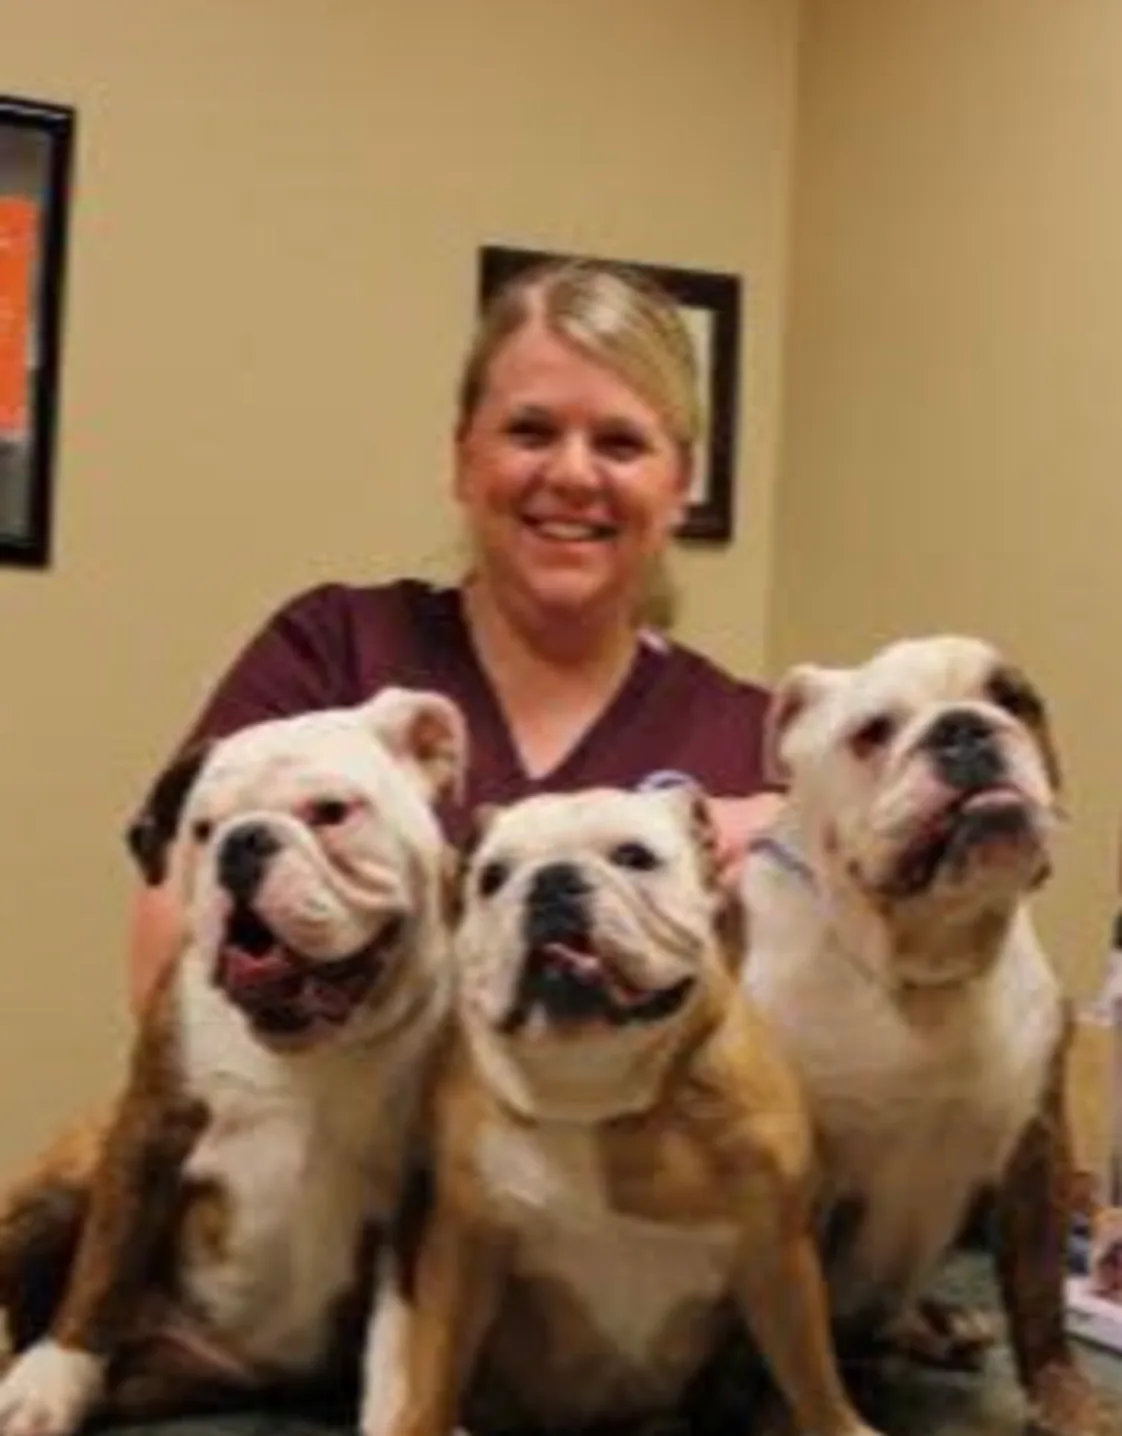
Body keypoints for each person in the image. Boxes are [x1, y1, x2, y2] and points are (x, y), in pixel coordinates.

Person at [125, 257, 784, 1016]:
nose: (573, 474)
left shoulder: (748, 744)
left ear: (679, 485)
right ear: (465, 458)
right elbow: (169, 961)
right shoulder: (335, 654)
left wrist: (796, 847)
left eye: (620, 443)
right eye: (531, 432)